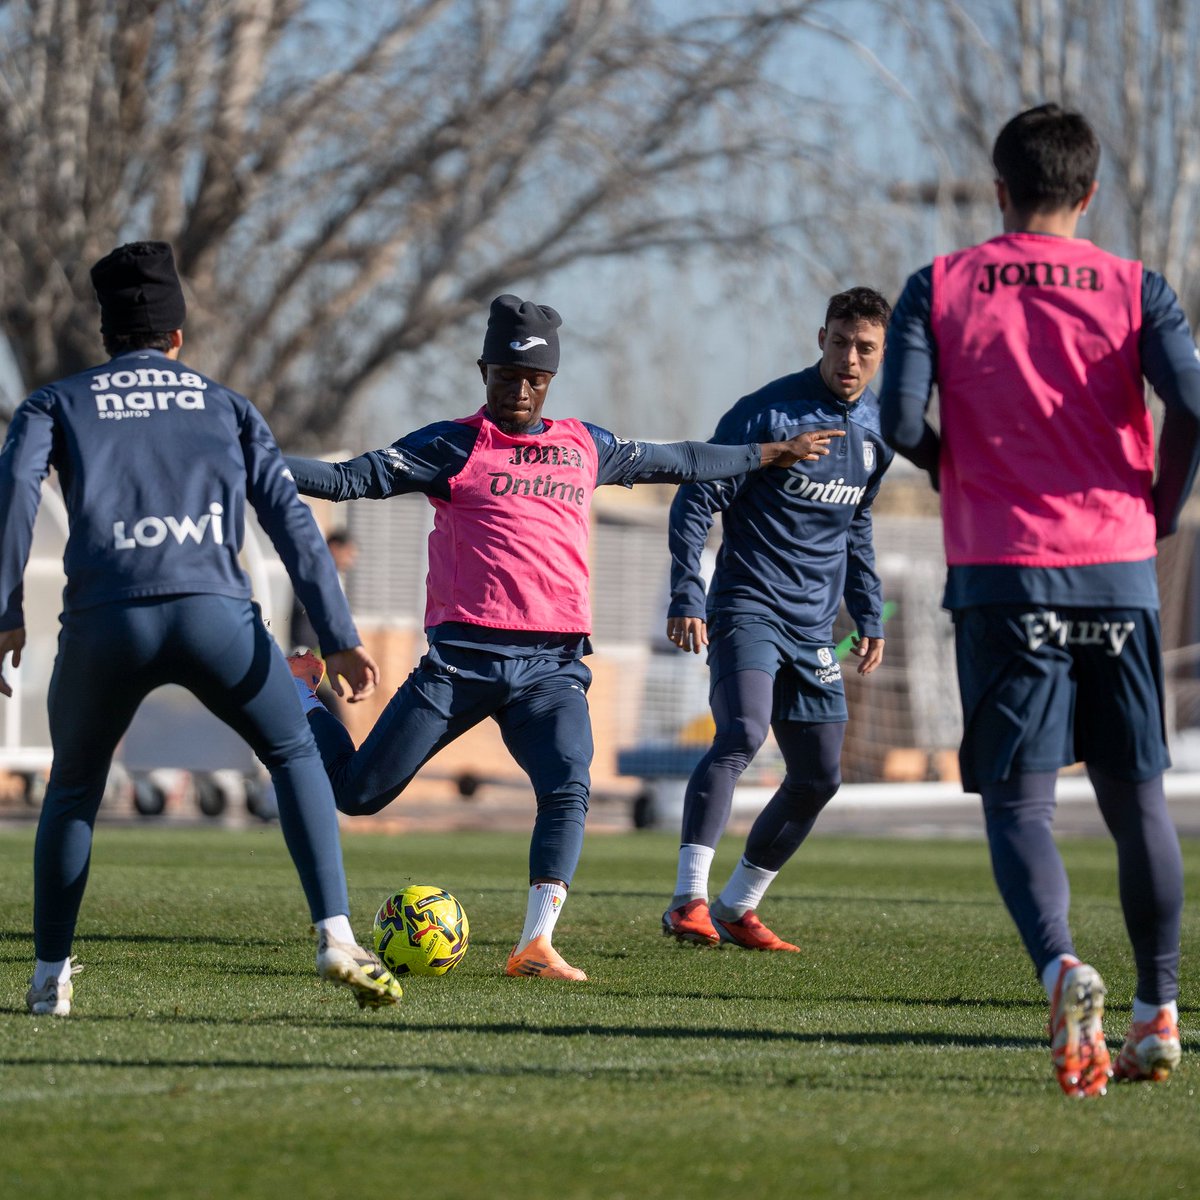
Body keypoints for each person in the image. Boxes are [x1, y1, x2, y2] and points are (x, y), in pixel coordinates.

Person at [284, 293, 844, 981]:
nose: (519, 391)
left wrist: (766, 453)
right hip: (463, 664)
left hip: (552, 668)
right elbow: (346, 480)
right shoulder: (450, 445)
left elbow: (680, 459)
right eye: (506, 376)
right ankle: (301, 694)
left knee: (567, 785)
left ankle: (536, 945)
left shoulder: (586, 445)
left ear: (550, 380)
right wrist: (252, 458)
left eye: (534, 379)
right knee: (358, 795)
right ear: (484, 371)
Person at [879, 105, 1200, 1096]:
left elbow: (897, 418)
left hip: (1003, 573)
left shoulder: (940, 284)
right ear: (1089, 193)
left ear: (1000, 190)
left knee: (1021, 803)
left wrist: (956, 468)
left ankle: (1062, 967)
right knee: (1136, 798)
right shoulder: (1137, 287)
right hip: (1118, 568)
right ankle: (1158, 1011)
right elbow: (1192, 404)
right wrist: (1160, 509)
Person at [0, 241, 403, 1016]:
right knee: (292, 752)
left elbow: (16, 490)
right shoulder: (227, 405)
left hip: (106, 619)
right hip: (216, 614)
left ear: (106, 335)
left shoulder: (56, 402)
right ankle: (335, 934)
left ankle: (50, 978)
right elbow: (290, 519)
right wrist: (337, 632)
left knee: (75, 787)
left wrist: (5, 612)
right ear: (178, 337)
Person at [660, 287, 893, 952]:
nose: (850, 358)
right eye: (840, 342)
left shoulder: (878, 433)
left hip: (814, 627)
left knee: (820, 776)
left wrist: (869, 610)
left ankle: (737, 906)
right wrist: (687, 592)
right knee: (741, 732)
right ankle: (687, 900)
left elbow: (856, 528)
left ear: (882, 354)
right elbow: (696, 499)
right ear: (822, 339)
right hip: (747, 606)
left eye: (865, 348)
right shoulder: (767, 412)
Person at [290, 530, 359, 718]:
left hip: (319, 661)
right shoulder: (315, 573)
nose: (350, 562)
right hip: (307, 657)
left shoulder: (331, 578)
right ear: (335, 548)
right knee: (332, 718)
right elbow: (304, 615)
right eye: (349, 555)